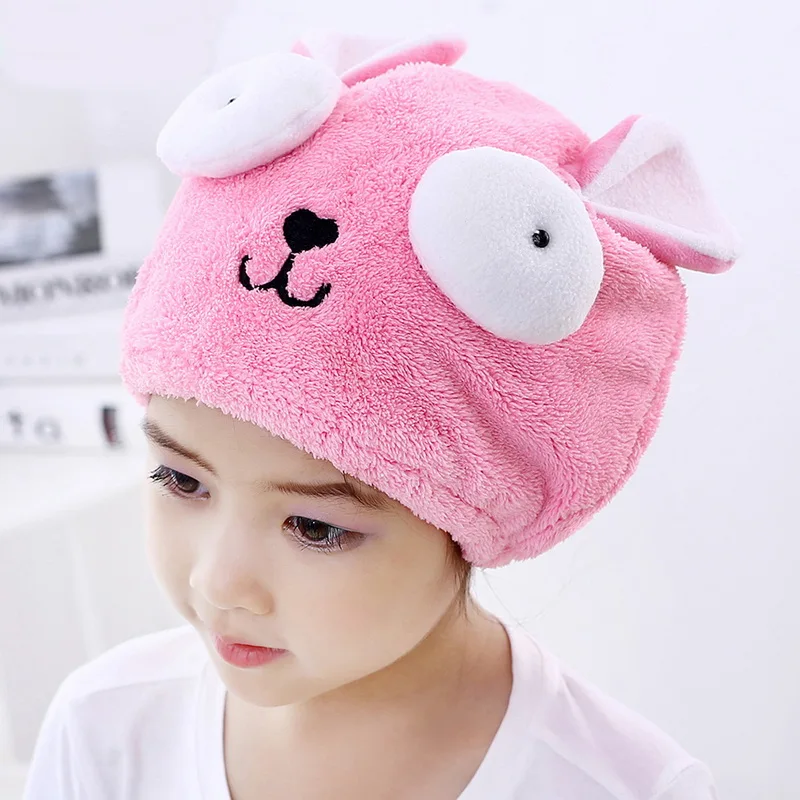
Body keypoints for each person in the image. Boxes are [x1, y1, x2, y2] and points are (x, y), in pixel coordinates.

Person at [23, 29, 742, 799]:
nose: (218, 581)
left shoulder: (620, 788)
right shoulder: (106, 732)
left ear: (479, 509)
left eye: (315, 528)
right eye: (181, 479)